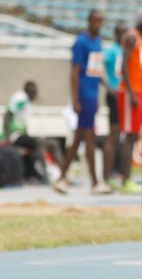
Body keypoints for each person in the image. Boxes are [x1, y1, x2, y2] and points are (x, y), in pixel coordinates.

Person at [53, 10, 112, 195]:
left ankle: (62, 177)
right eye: (95, 21)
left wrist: (106, 85)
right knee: (89, 139)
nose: (98, 25)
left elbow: (94, 69)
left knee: (79, 139)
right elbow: (75, 71)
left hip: (93, 95)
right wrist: (75, 99)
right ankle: (95, 182)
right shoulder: (81, 42)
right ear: (89, 21)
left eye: (100, 21)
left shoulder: (98, 42)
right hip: (84, 96)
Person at [118, 9, 142, 194]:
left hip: (138, 90)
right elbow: (123, 66)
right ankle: (125, 179)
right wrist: (131, 93)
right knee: (129, 136)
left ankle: (126, 178)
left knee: (133, 135)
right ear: (141, 21)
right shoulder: (132, 37)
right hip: (130, 92)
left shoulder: (140, 39)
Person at [2, 81, 49, 183]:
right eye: (34, 92)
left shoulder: (26, 101)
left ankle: (32, 173)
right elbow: (8, 115)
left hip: (20, 134)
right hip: (14, 135)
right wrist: (7, 137)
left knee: (34, 145)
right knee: (37, 143)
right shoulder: (21, 99)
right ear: (29, 91)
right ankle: (44, 175)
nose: (35, 95)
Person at [103, 21, 127, 187]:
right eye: (121, 32)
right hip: (115, 96)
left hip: (125, 96)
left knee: (121, 137)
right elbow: (98, 67)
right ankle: (107, 175)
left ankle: (118, 173)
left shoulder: (126, 51)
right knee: (113, 135)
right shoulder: (111, 50)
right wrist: (108, 86)